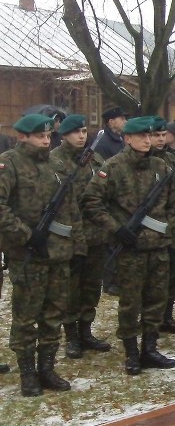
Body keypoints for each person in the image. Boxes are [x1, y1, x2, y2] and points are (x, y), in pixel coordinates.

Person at [83, 116, 175, 375]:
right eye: (142, 136)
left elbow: (174, 201)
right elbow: (91, 201)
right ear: (127, 139)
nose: (148, 140)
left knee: (156, 300)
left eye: (150, 136)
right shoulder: (113, 167)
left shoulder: (160, 166)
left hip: (157, 247)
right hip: (130, 248)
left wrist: (168, 228)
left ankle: (150, 348)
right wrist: (116, 228)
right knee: (130, 303)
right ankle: (132, 353)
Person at [0, 114, 83, 396]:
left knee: (53, 315)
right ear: (22, 136)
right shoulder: (9, 163)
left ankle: (47, 368)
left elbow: (71, 210)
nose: (46, 141)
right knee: (26, 317)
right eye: (39, 136)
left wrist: (77, 245)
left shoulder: (57, 165)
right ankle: (27, 373)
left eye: (49, 137)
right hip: (28, 255)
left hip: (58, 254)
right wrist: (25, 234)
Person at [50, 115, 111, 360]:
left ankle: (86, 332)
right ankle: (72, 336)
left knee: (91, 286)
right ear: (64, 135)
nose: (81, 136)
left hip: (95, 235)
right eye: (75, 132)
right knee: (70, 289)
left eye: (84, 131)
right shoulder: (55, 161)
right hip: (70, 235)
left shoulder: (95, 160)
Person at [149, 117, 175, 335]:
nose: (160, 139)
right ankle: (149, 320)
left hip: (174, 228)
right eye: (156, 135)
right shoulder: (144, 163)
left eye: (163, 135)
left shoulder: (172, 161)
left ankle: (166, 316)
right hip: (150, 232)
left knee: (173, 275)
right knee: (151, 281)